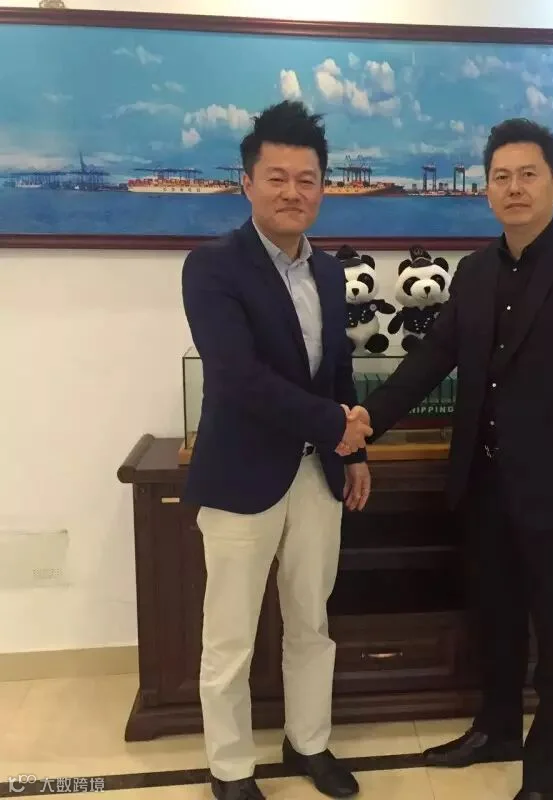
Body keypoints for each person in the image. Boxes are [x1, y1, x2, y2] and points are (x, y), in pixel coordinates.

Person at [341, 118, 553, 800]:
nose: (514, 188)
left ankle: (546, 777)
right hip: (483, 484)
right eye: (501, 176)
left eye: (528, 174)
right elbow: (428, 362)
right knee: (494, 621)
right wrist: (366, 422)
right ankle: (496, 729)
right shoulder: (472, 273)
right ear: (486, 189)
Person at [181, 100, 373, 800]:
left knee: (311, 622)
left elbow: (338, 370)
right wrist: (336, 423)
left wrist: (352, 452)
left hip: (317, 476)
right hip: (240, 477)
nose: (293, 192)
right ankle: (231, 770)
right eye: (277, 177)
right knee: (230, 637)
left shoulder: (329, 273)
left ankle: (308, 743)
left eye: (307, 179)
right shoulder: (211, 267)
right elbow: (237, 377)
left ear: (323, 187)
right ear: (248, 182)